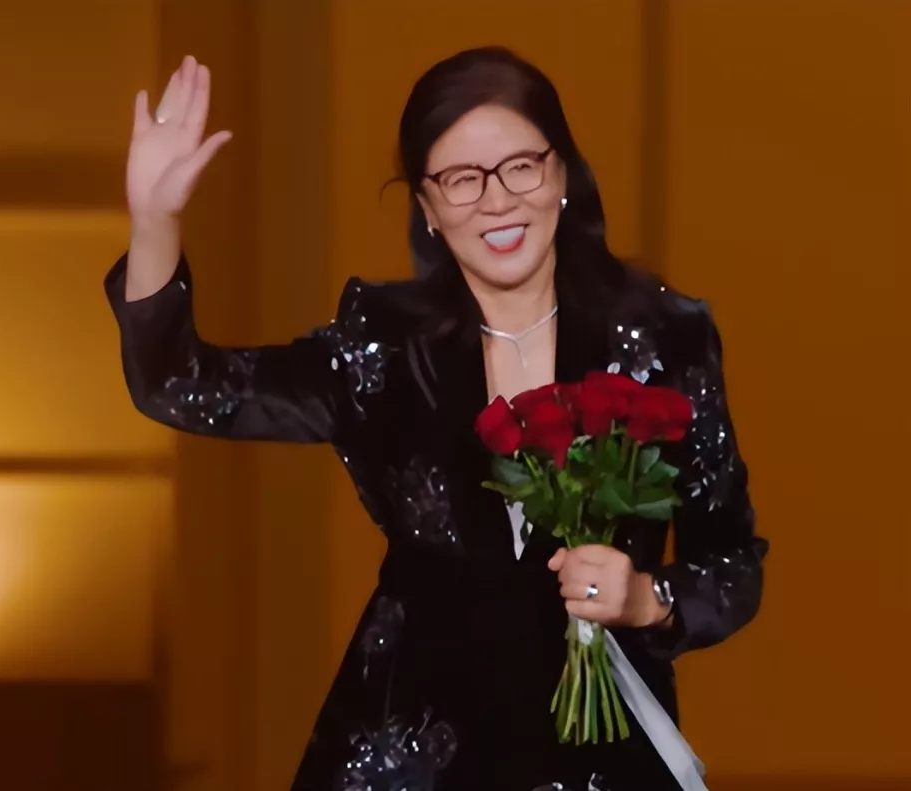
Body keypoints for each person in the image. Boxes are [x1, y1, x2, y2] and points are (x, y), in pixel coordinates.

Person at [106, 47, 768, 791]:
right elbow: (181, 386)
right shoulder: (385, 345)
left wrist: (647, 599)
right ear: (427, 207)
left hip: (601, 757)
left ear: (561, 175)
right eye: (460, 179)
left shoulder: (661, 337)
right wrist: (154, 220)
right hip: (412, 749)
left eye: (520, 167)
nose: (496, 201)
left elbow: (733, 563)